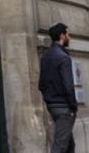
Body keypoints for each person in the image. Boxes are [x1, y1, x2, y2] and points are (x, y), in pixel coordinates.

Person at [39, 22, 77, 153]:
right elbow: (68, 86)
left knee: (69, 145)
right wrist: (73, 107)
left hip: (52, 106)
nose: (69, 37)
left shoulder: (45, 57)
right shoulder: (64, 58)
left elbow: (41, 85)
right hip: (64, 108)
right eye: (68, 34)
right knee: (60, 145)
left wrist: (49, 101)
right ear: (62, 36)